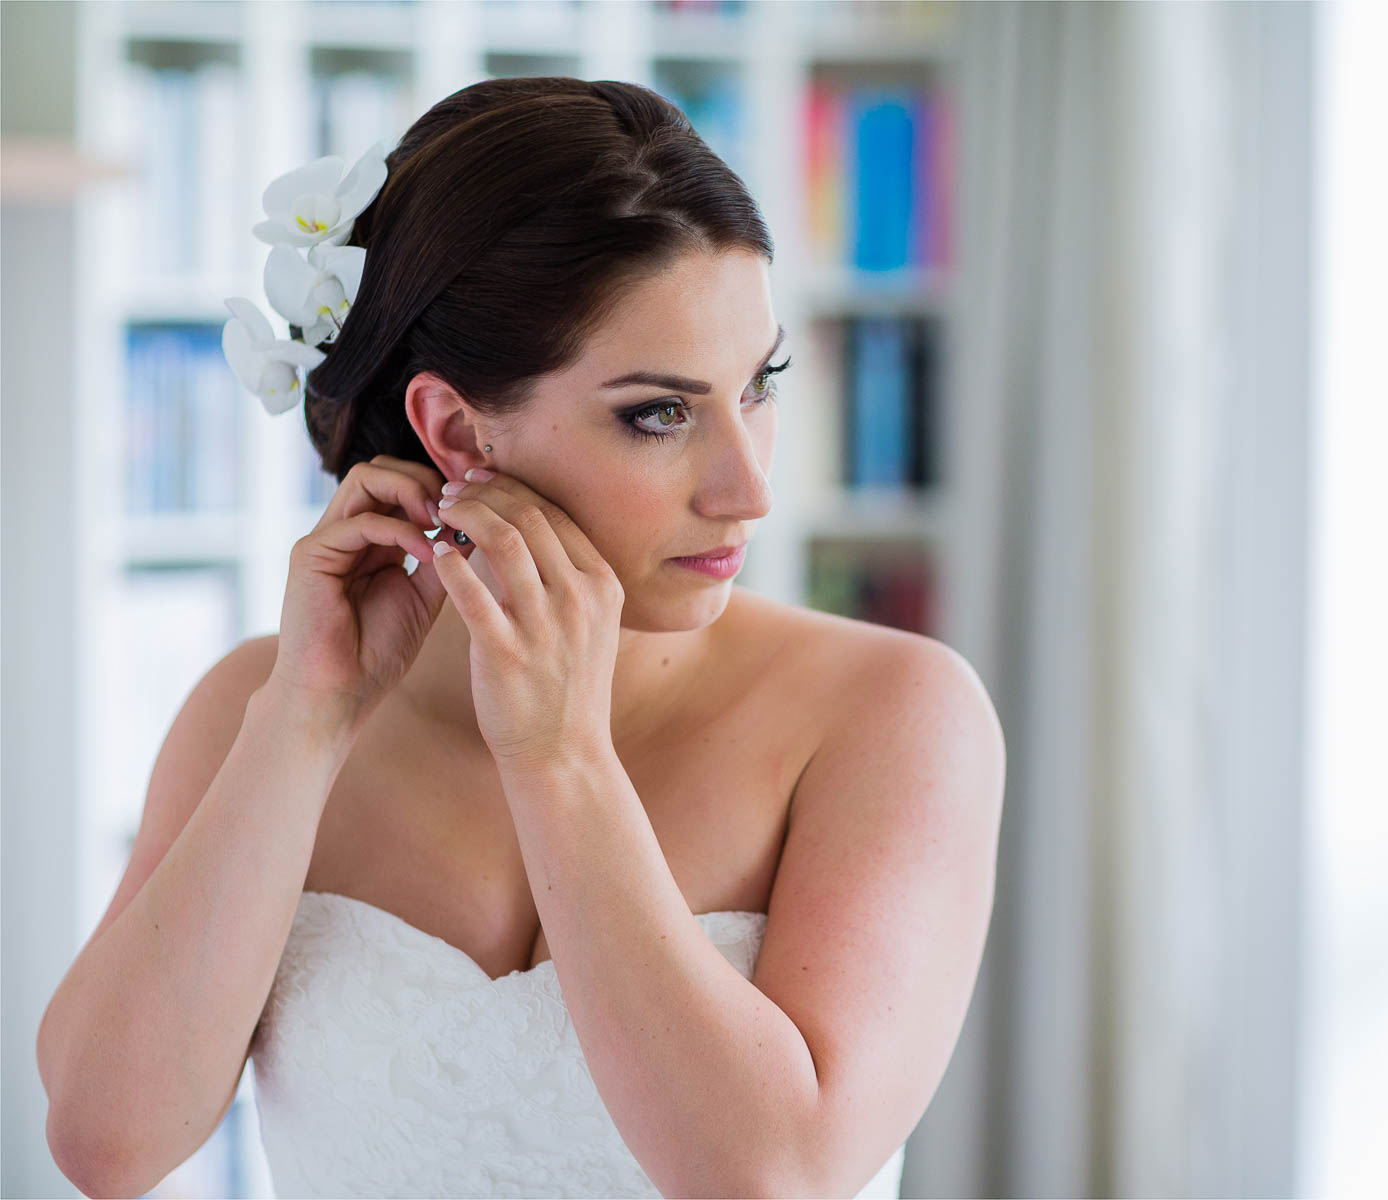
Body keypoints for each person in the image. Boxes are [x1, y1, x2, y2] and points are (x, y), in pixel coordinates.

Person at [37, 77, 1004, 1199]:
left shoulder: (893, 714)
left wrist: (561, 758)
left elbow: (772, 1176)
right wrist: (303, 725)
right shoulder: (260, 704)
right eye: (660, 414)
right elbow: (105, 1145)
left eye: (762, 384)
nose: (749, 490)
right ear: (453, 430)